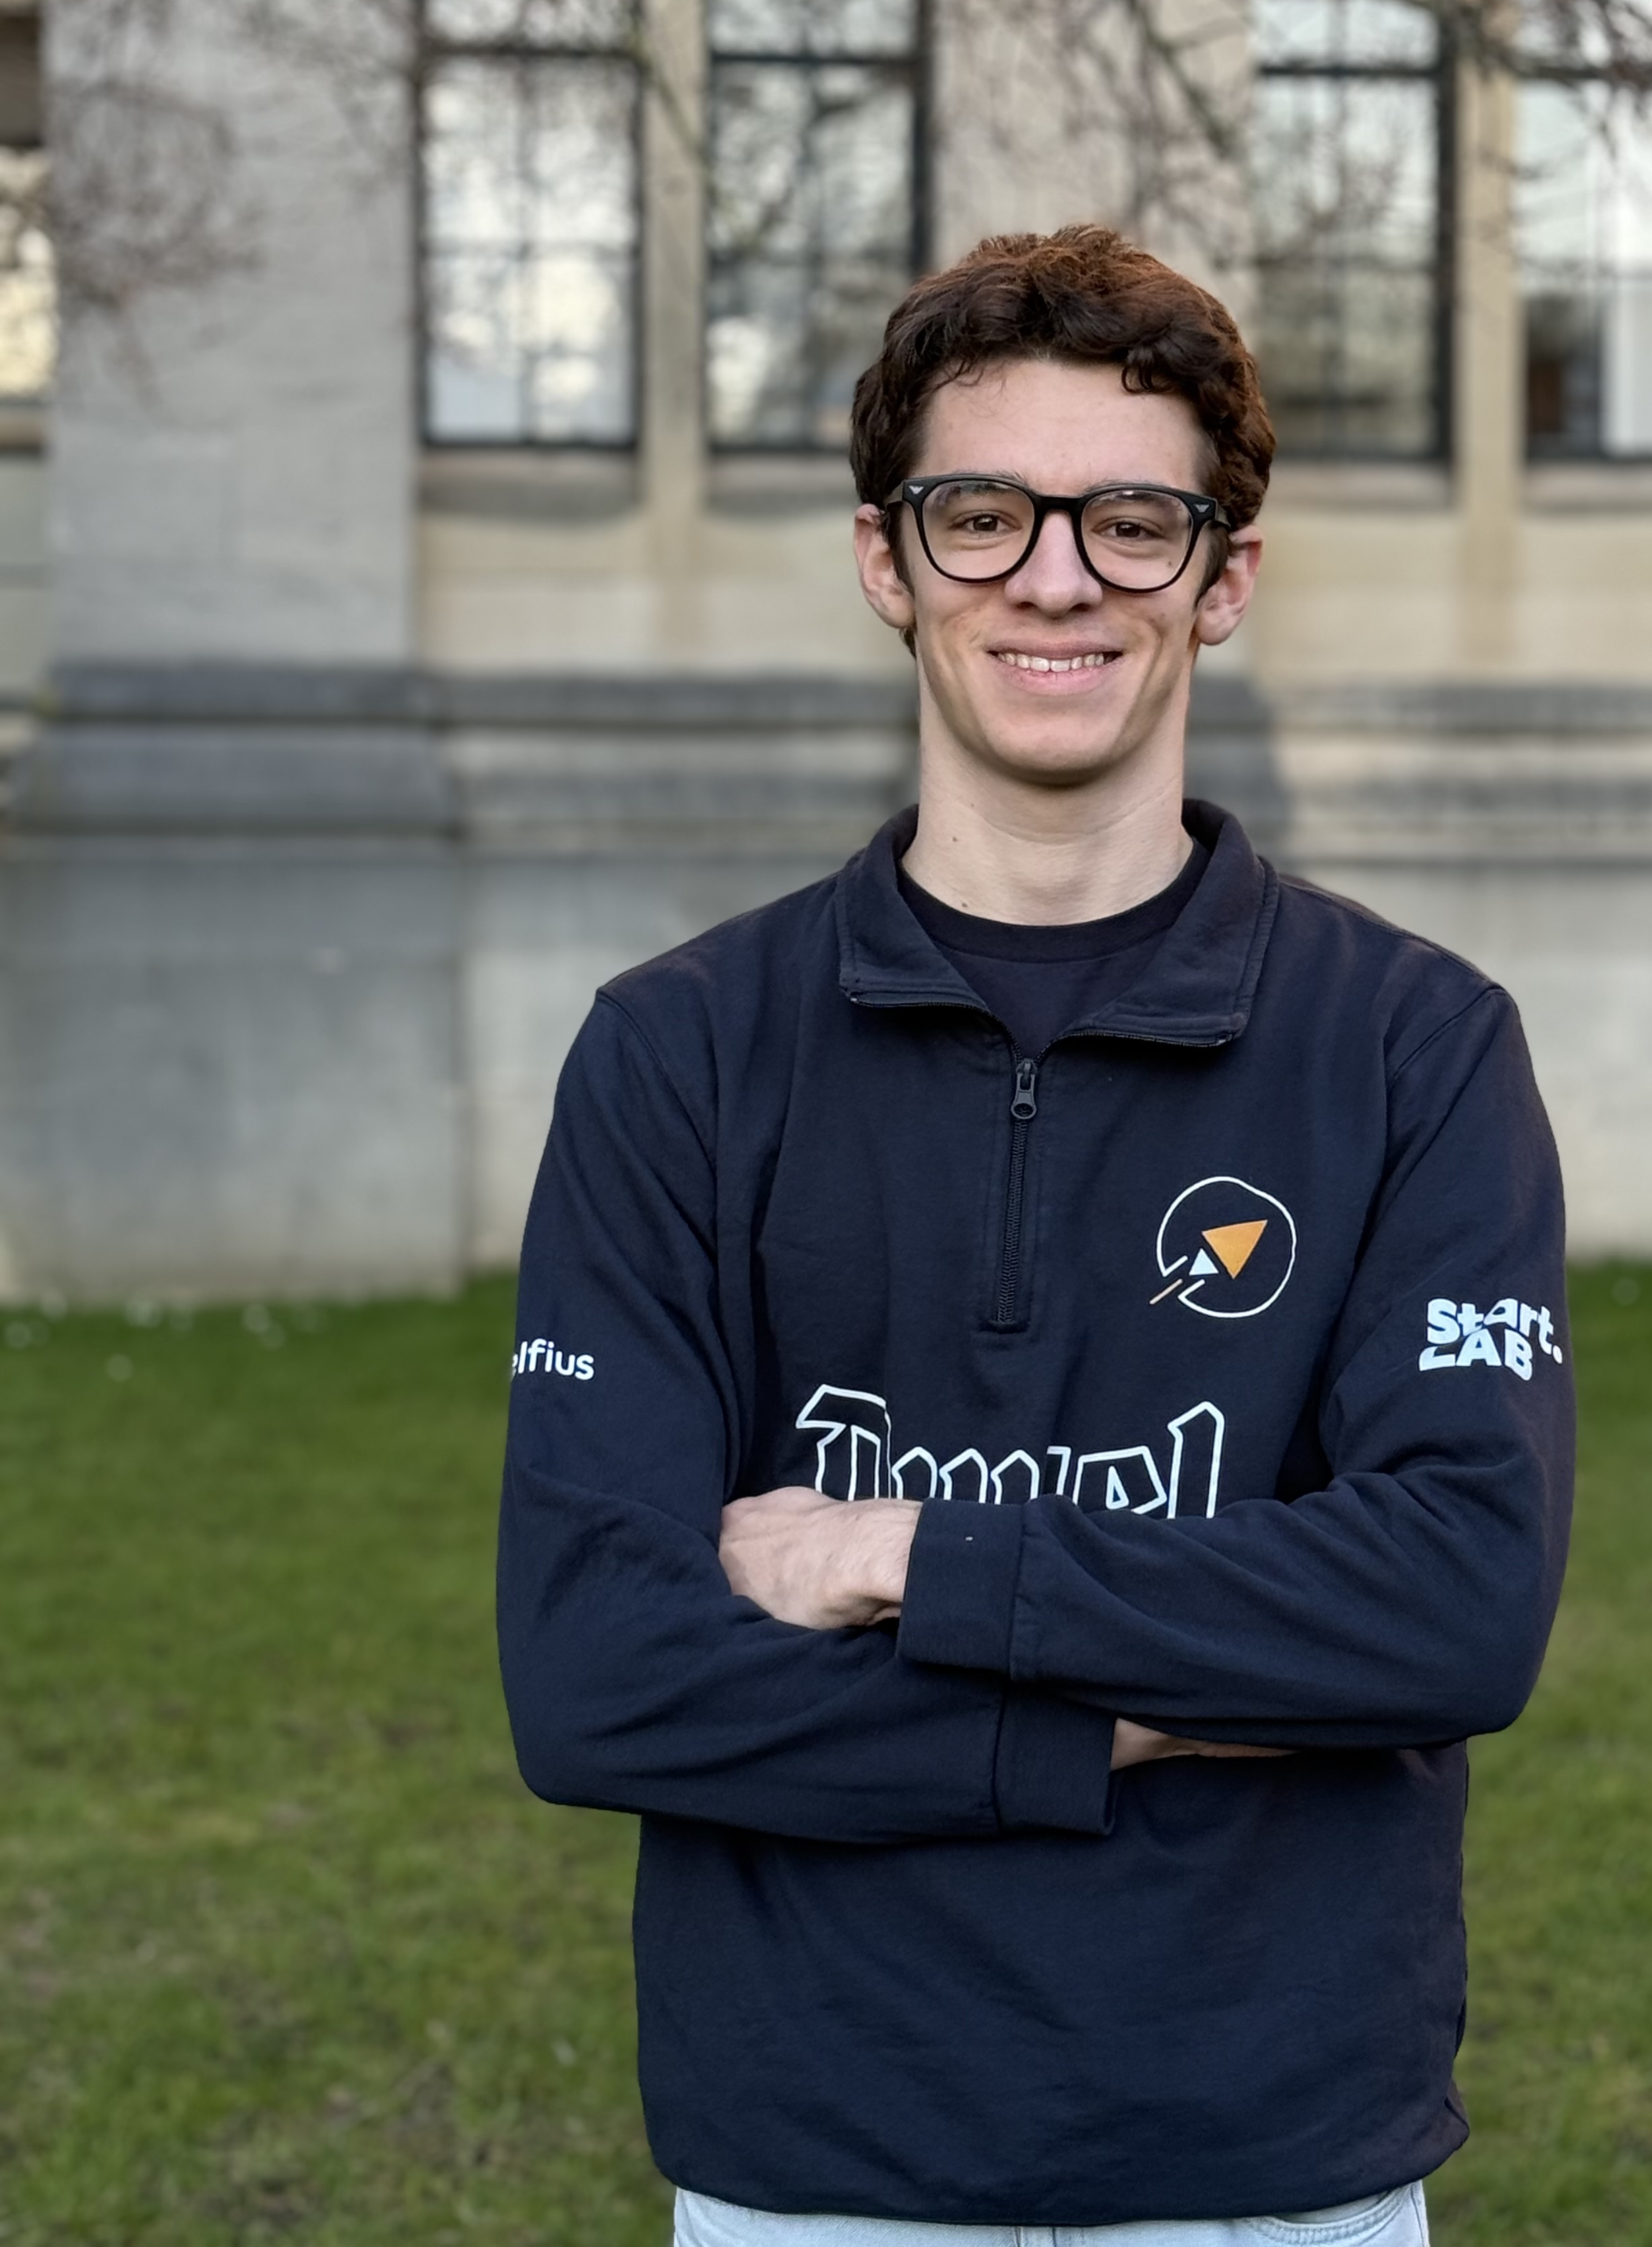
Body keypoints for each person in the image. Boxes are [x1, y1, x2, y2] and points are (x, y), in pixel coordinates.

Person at [497, 225, 1574, 2247]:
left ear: (1223, 576)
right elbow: (595, 1681)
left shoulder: (1416, 1050)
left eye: (1131, 522)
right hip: (815, 2155)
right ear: (886, 562)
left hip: (1268, 2152)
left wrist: (897, 1555)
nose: (1055, 577)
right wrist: (1151, 1705)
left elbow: (1453, 1610)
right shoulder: (679, 1057)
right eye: (983, 514)